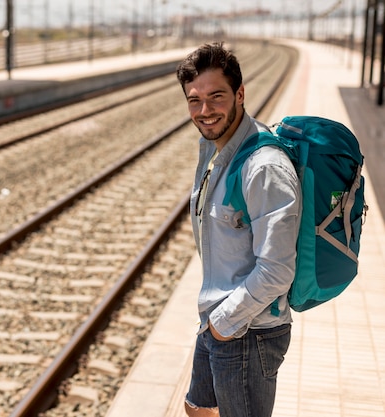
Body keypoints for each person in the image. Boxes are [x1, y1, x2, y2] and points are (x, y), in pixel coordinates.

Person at [175, 42, 302, 417]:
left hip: (249, 331)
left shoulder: (263, 167)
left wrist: (222, 324)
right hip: (219, 318)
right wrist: (214, 324)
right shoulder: (217, 149)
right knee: (198, 409)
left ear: (240, 94)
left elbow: (277, 269)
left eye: (216, 96)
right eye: (194, 99)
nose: (204, 110)